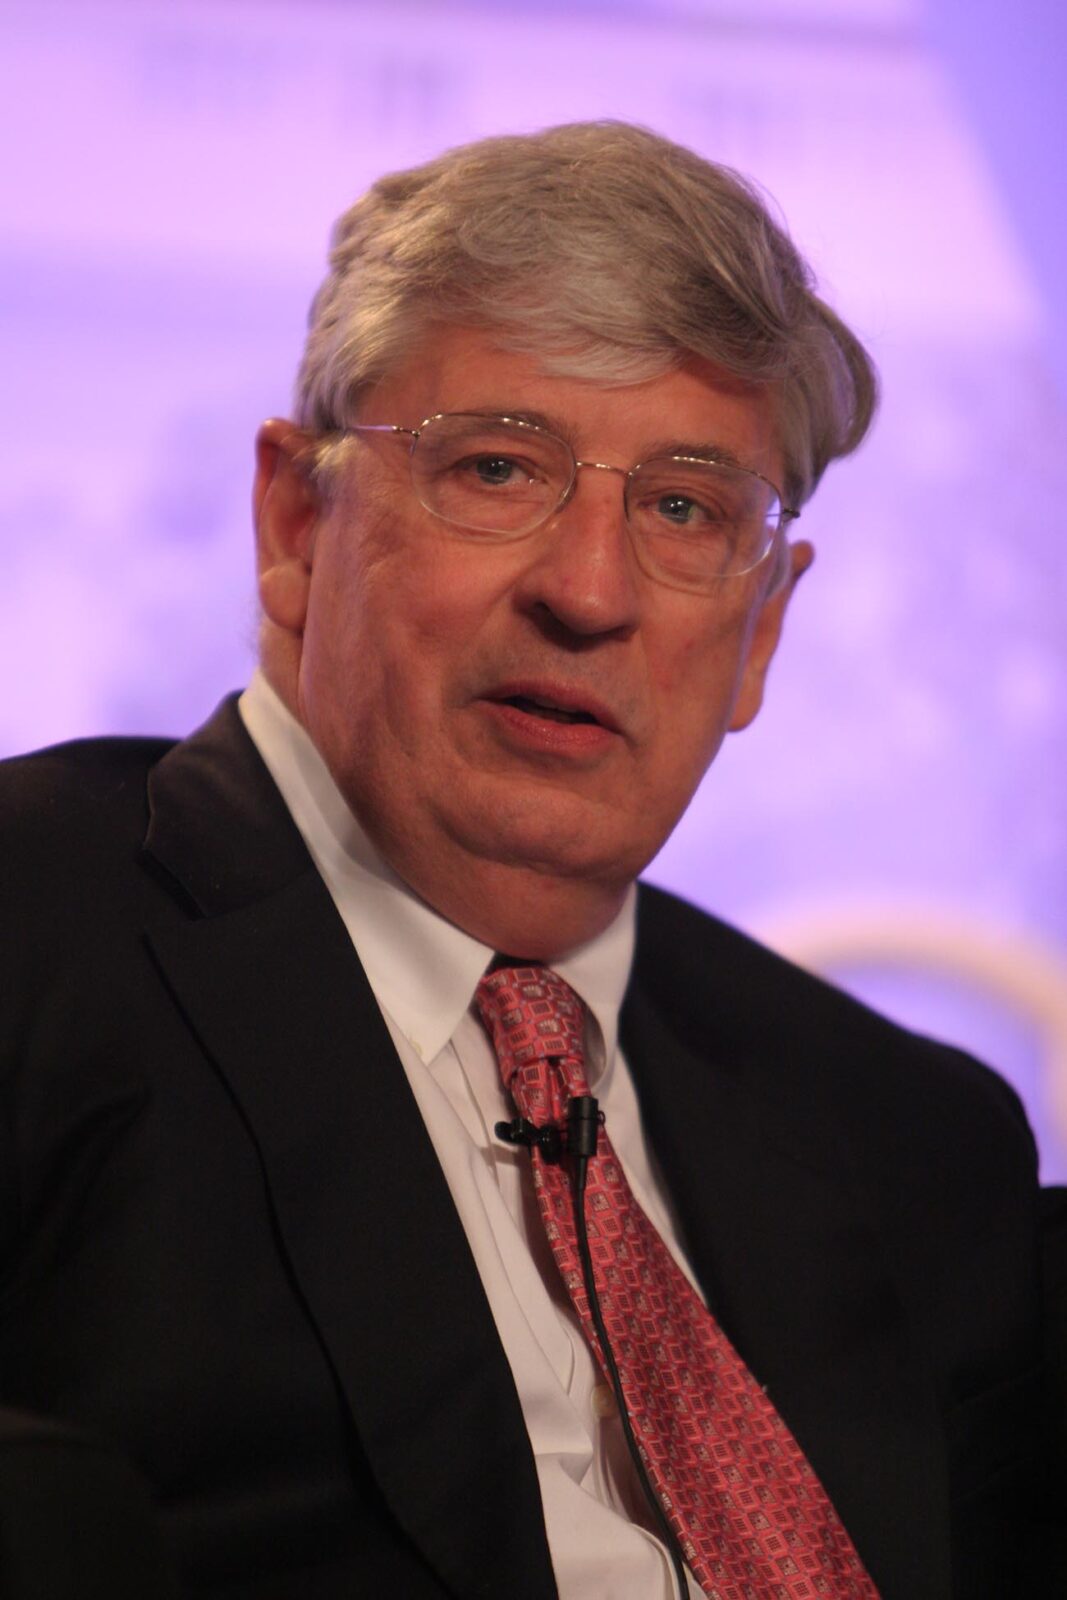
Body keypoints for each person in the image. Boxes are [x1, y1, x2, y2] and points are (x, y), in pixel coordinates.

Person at [0, 121, 1062, 1599]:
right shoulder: (32, 941)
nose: (589, 590)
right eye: (499, 468)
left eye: (686, 507)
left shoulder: (918, 1145)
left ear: (762, 629)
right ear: (296, 523)